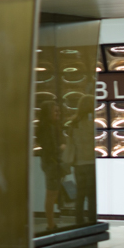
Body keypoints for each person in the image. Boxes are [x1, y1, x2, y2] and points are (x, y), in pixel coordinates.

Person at [65, 95, 98, 224]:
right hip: (91, 162)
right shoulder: (94, 123)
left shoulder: (74, 123)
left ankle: (78, 220)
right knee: (92, 195)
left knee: (80, 194)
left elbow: (70, 143)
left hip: (78, 164)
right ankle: (92, 220)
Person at [36, 99, 63, 230]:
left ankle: (51, 223)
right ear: (48, 113)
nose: (58, 113)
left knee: (52, 194)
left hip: (49, 163)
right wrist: (61, 148)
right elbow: (50, 148)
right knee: (51, 195)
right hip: (52, 163)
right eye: (55, 111)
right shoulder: (48, 128)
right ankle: (51, 224)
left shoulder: (46, 127)